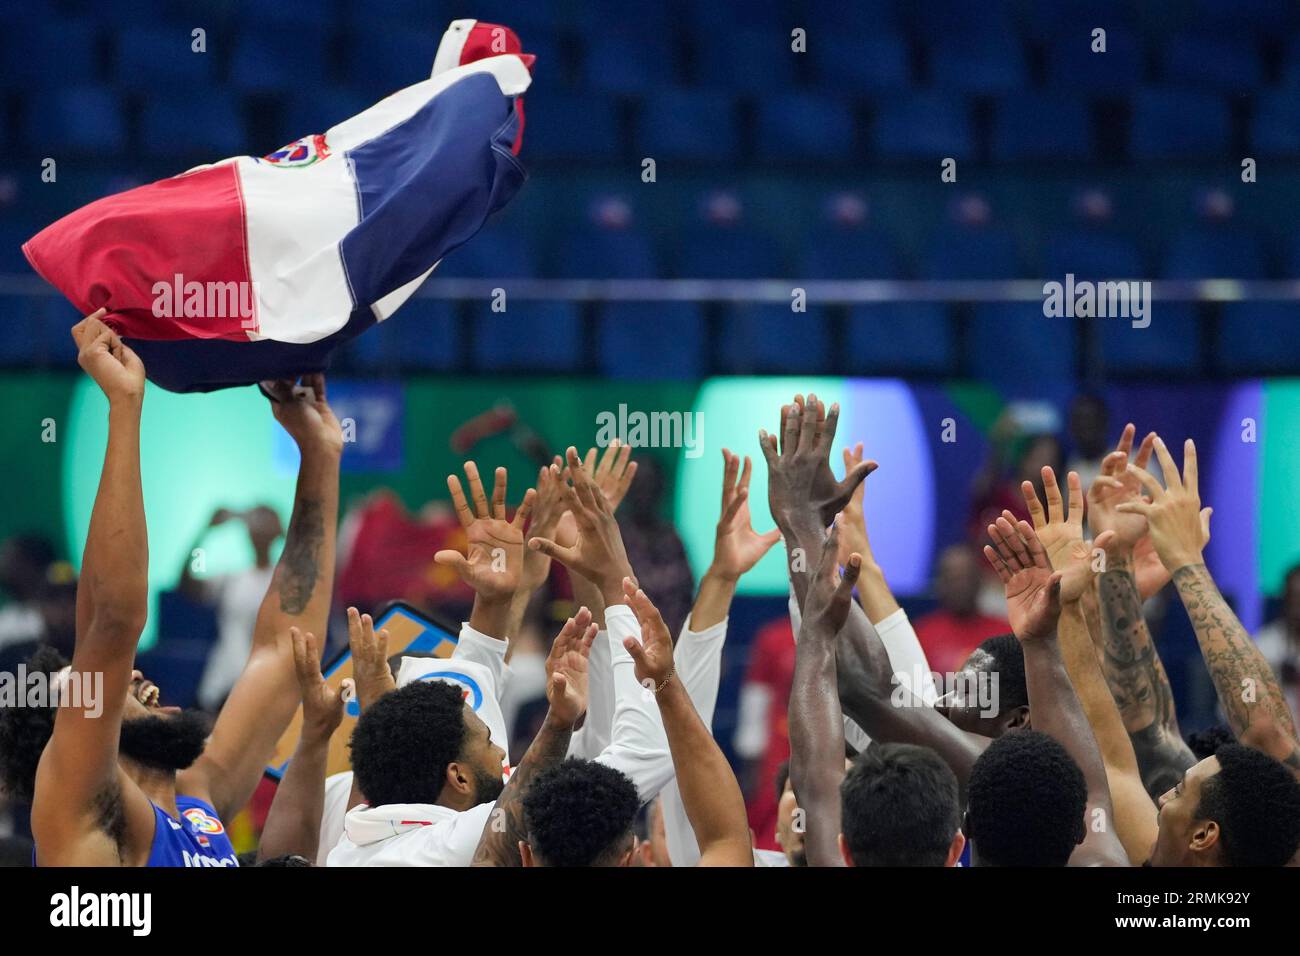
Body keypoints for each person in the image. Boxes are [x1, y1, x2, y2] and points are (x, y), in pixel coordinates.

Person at [1, 309, 342, 867]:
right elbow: (111, 625)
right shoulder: (79, 812)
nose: (132, 675)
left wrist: (319, 457)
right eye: (90, 683)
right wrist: (124, 408)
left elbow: (284, 654)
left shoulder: (197, 796)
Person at [180, 505, 284, 710]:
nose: (259, 528)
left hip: (267, 689)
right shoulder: (231, 579)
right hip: (222, 684)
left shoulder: (286, 581)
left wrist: (289, 535)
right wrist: (205, 535)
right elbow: (188, 581)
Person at [913, 544, 1011, 677]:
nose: (960, 586)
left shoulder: (1005, 634)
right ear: (940, 583)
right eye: (953, 579)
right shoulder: (921, 635)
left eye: (966, 577)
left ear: (979, 581)